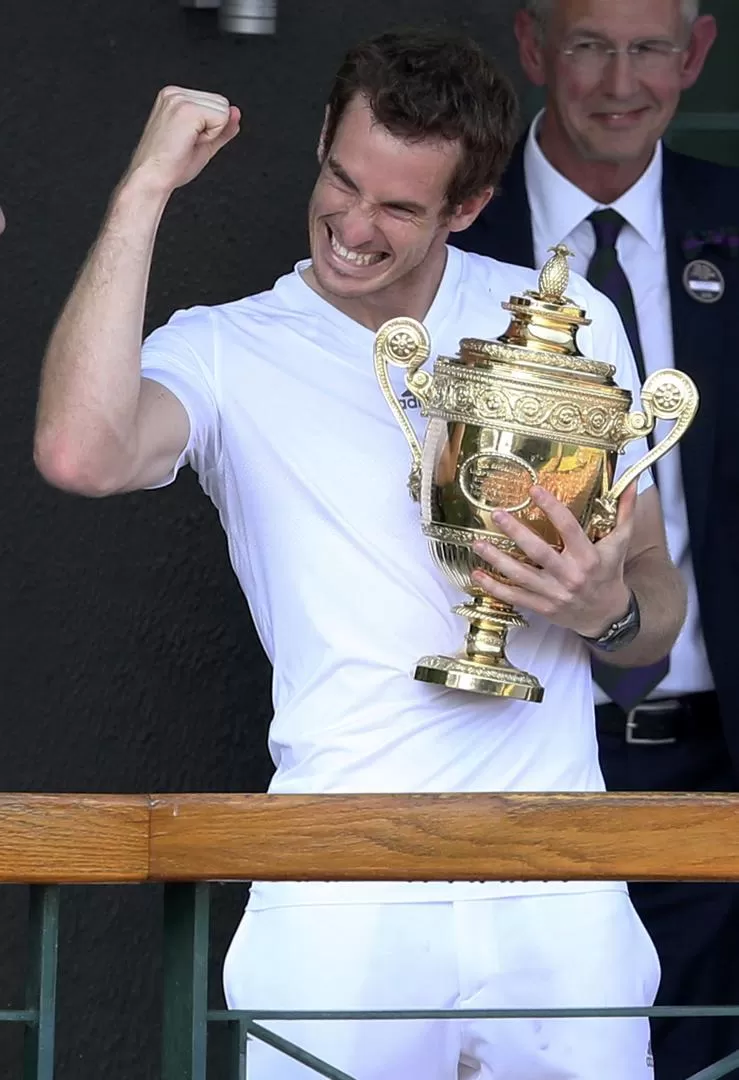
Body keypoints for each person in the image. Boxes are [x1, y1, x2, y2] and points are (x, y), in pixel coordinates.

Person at [34, 29, 685, 1080]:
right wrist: (146, 187)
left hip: (557, 877)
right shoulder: (224, 346)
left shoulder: (568, 324)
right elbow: (79, 451)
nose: (350, 225)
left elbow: (658, 600)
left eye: (397, 208)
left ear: (465, 209)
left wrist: (603, 608)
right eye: (341, 179)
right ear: (322, 143)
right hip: (335, 876)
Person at [452, 2, 739, 1078]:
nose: (621, 80)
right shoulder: (450, 226)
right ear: (531, 47)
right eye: (588, 44)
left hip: (718, 767)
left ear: (696, 53)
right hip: (510, 759)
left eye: (651, 47)